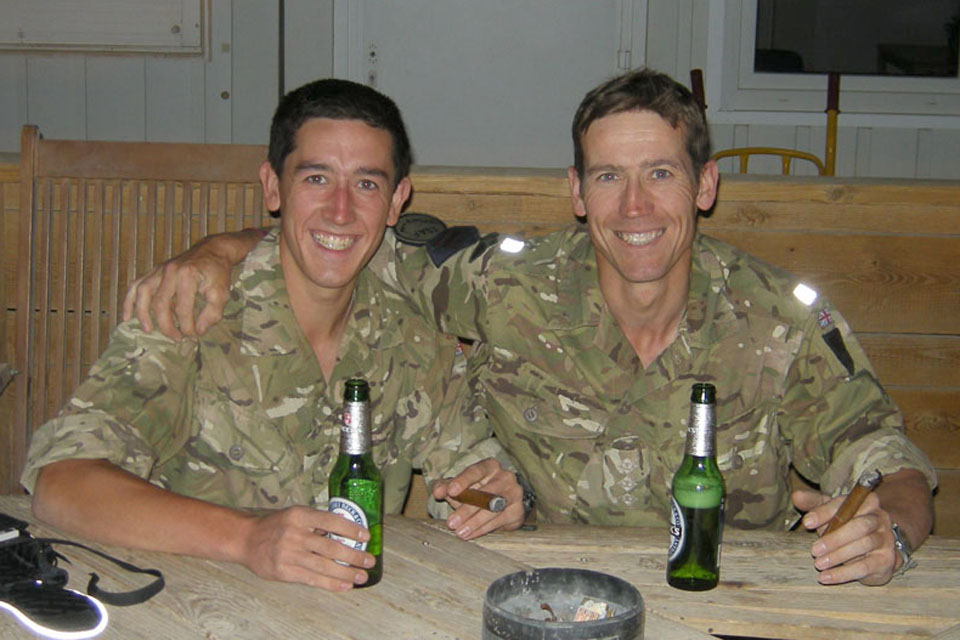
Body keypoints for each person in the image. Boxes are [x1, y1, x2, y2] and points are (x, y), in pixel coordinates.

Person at [123, 69, 936, 587]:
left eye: (661, 173)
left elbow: (888, 462)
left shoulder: (777, 318)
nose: (636, 207)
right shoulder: (510, 285)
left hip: (726, 598)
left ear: (706, 185)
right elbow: (346, 238)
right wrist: (219, 249)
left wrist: (888, 532)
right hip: (543, 598)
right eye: (609, 177)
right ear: (576, 193)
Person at [20, 79, 523, 593]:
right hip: (190, 603)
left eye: (367, 184)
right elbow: (63, 484)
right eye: (317, 179)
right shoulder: (193, 307)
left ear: (397, 202)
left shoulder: (412, 331)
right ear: (273, 187)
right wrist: (247, 539)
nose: (341, 211)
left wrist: (494, 499)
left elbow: (470, 479)